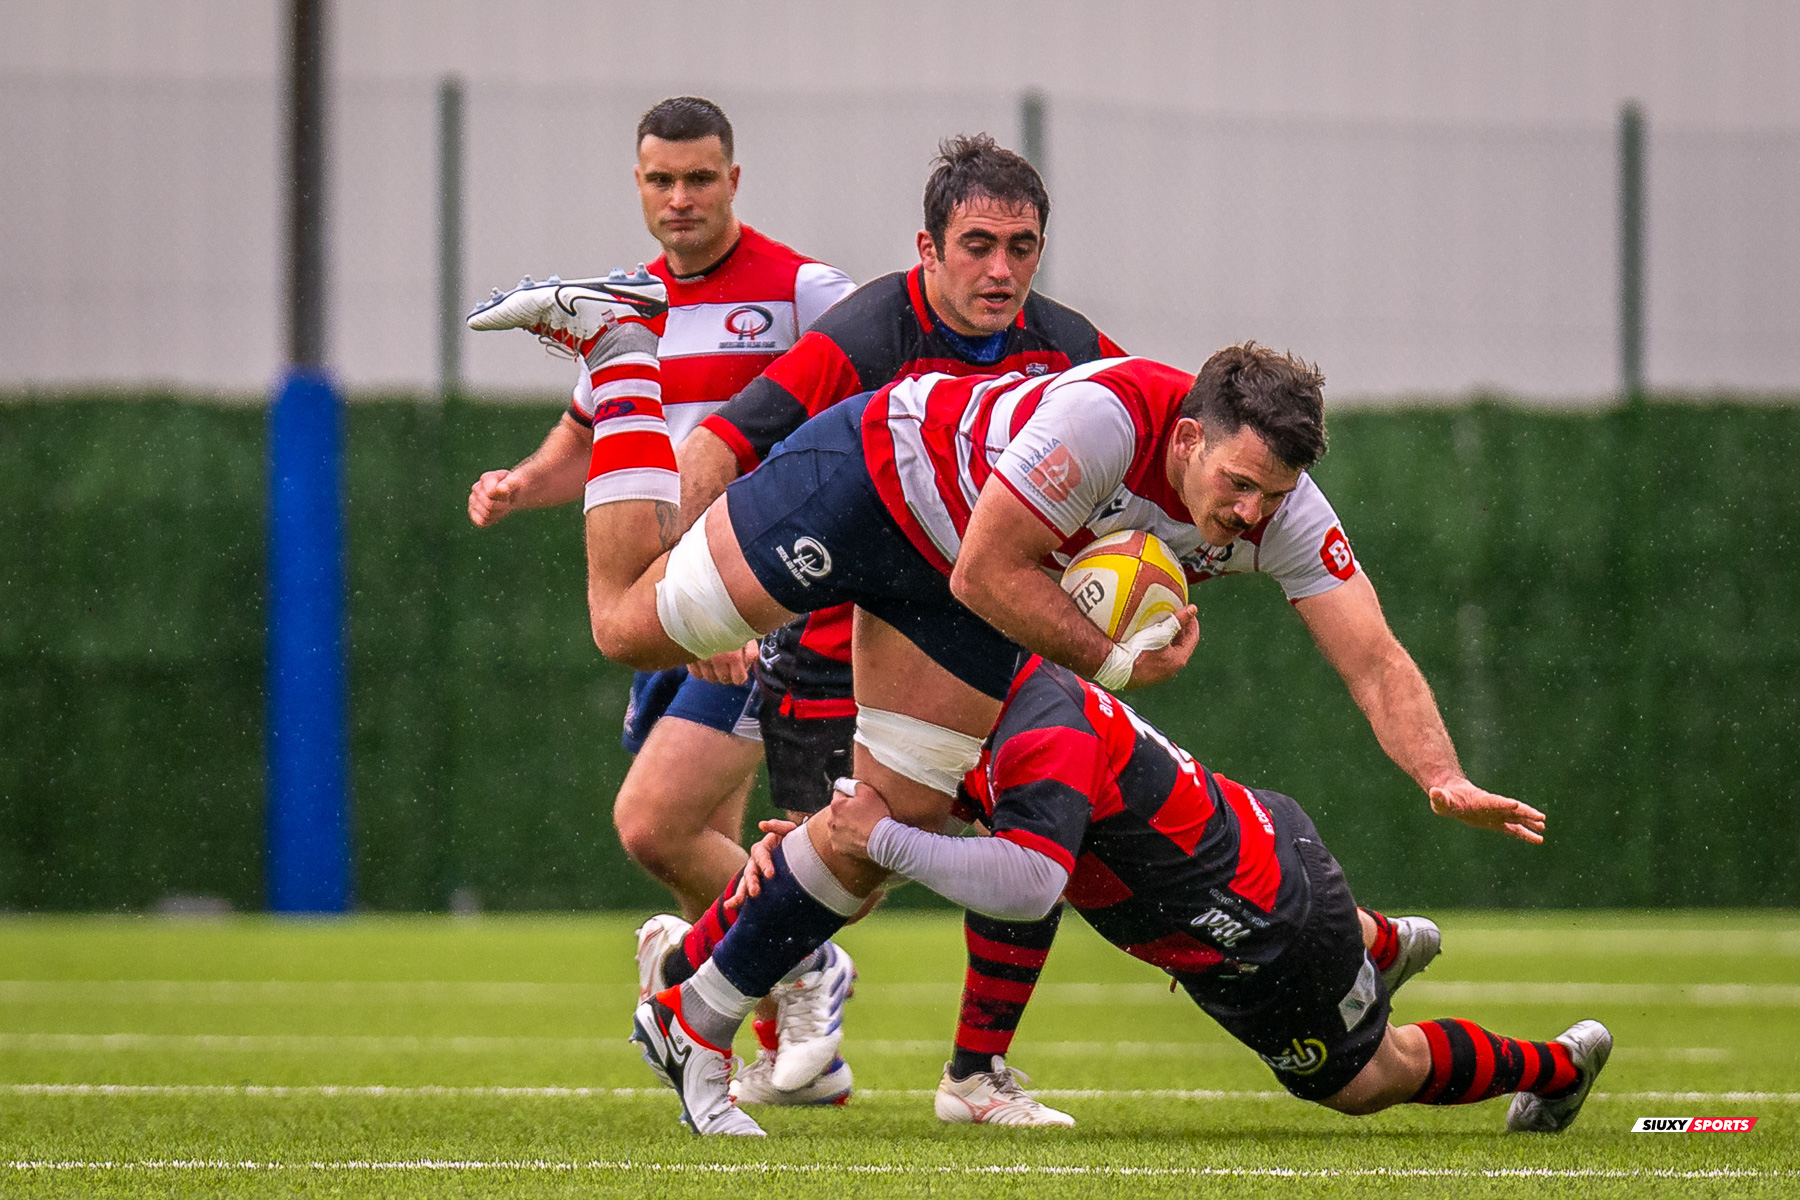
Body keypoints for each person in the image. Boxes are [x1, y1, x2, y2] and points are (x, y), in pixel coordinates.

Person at [632, 654, 1611, 1138]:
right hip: (1257, 850)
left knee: (1358, 1081)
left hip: (1264, 934)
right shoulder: (988, 697)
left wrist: (876, 835)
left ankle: (1552, 1067)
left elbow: (1025, 885)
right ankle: (1376, 946)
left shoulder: (1037, 737)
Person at [461, 96, 855, 1097]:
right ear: (638, 184)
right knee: (698, 854)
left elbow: (868, 430)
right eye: (660, 180)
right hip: (668, 609)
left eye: (699, 178)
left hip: (769, 609)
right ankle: (787, 1055)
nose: (680, 198)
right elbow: (592, 444)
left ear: (734, 179)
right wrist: (520, 484)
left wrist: (766, 591)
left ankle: (810, 962)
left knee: (653, 825)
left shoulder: (806, 291)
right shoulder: (624, 306)